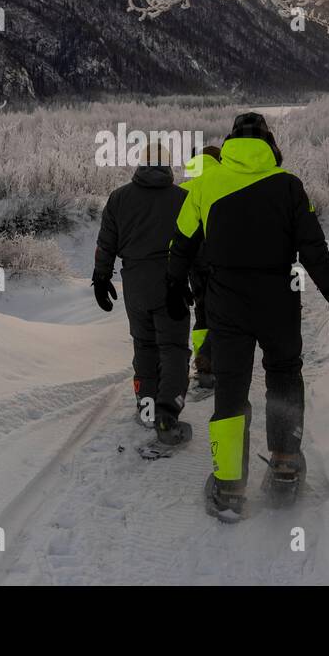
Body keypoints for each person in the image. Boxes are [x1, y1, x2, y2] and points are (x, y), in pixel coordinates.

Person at [166, 113, 329, 518]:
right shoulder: (289, 187)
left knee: (231, 389)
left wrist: (173, 288)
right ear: (269, 143)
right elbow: (313, 248)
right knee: (284, 376)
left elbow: (181, 244)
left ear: (231, 142)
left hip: (226, 305)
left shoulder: (205, 184)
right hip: (279, 302)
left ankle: (230, 486)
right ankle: (285, 466)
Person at [93, 143, 193, 446]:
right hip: (171, 281)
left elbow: (106, 243)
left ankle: (147, 406)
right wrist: (202, 284)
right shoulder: (183, 198)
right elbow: (196, 243)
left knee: (145, 345)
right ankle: (167, 414)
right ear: (168, 166)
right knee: (173, 348)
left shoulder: (119, 198)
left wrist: (101, 277)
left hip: (134, 283)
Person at [180, 145, 222, 389]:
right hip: (224, 263)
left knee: (202, 313)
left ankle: (204, 366)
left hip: (194, 265)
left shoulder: (183, 191)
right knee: (226, 314)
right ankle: (221, 362)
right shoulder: (228, 186)